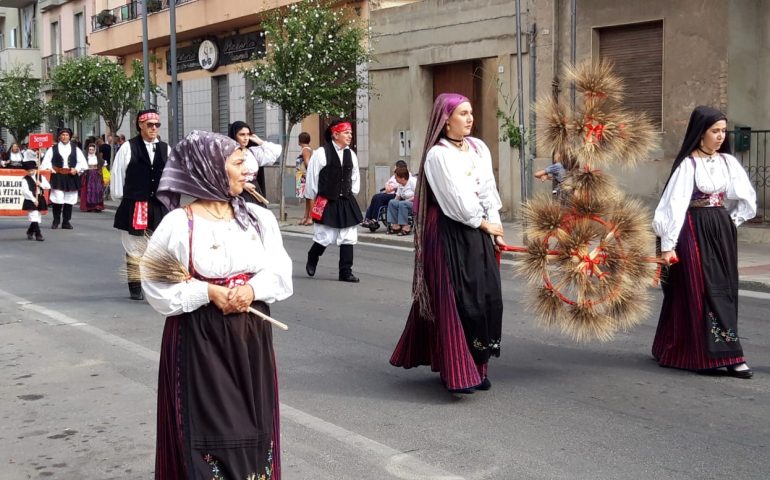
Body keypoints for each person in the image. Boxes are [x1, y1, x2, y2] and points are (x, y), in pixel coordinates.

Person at [142, 130, 293, 479]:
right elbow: (155, 286)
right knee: (212, 430)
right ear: (208, 168)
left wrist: (252, 290)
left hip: (250, 337)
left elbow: (280, 272)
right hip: (201, 339)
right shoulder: (179, 224)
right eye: (238, 162)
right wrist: (207, 293)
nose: (247, 170)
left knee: (255, 426)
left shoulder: (258, 219)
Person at [390, 93, 506, 393]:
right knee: (456, 302)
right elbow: (456, 201)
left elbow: (487, 191)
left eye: (470, 113)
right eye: (462, 113)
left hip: (478, 228)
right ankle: (458, 371)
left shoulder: (479, 148)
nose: (469, 118)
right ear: (446, 120)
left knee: (485, 299)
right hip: (448, 233)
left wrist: (496, 228)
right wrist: (482, 223)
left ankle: (478, 365)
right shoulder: (437, 155)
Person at [652, 105, 757, 379]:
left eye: (723, 131)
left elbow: (745, 199)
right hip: (692, 231)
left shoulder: (728, 163)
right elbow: (673, 207)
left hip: (720, 231)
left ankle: (726, 353)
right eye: (715, 131)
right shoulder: (688, 165)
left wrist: (729, 223)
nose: (721, 136)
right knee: (699, 289)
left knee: (724, 290)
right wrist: (668, 245)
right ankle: (710, 355)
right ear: (701, 133)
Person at [112, 109, 171, 300]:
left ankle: (155, 285)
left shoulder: (165, 148)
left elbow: (171, 176)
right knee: (135, 247)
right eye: (150, 125)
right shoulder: (128, 148)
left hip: (158, 204)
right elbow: (118, 174)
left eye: (157, 125)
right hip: (136, 203)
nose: (154, 128)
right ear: (140, 125)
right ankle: (135, 286)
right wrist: (123, 198)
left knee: (159, 246)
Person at [304, 120, 363, 283]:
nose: (350, 136)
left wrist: (351, 192)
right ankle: (313, 256)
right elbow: (312, 177)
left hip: (345, 199)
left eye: (351, 133)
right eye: (346, 133)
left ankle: (345, 271)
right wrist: (313, 199)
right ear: (335, 134)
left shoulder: (351, 154)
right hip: (326, 199)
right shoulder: (321, 153)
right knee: (324, 236)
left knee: (348, 236)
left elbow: (354, 176)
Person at [39, 127, 88, 229]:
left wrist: (77, 169)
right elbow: (46, 162)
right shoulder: (53, 149)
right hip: (58, 176)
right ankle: (56, 221)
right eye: (63, 135)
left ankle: (66, 221)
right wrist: (51, 168)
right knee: (58, 199)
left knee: (69, 199)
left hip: (71, 176)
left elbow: (82, 162)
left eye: (67, 135)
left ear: (69, 137)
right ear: (60, 137)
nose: (65, 137)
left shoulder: (76, 149)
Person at [227, 121, 282, 206]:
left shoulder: (252, 152)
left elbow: (276, 151)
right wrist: (244, 185)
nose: (246, 138)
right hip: (237, 190)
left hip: (255, 189)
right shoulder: (228, 153)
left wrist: (259, 141)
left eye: (248, 134)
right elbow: (223, 174)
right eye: (242, 135)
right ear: (234, 135)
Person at [361, 160, 407, 228]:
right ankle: (368, 220)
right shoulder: (394, 175)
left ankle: (374, 220)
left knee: (378, 198)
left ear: (398, 167)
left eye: (395, 167)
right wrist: (387, 187)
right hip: (388, 192)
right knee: (375, 198)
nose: (393, 168)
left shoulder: (404, 175)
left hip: (395, 194)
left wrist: (390, 188)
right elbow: (387, 183)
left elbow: (399, 185)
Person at [21, 156, 50, 242]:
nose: (30, 172)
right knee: (34, 216)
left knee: (37, 216)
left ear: (35, 169)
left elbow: (48, 186)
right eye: (29, 171)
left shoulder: (40, 177)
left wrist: (40, 184)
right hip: (30, 199)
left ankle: (30, 231)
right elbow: (25, 191)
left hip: (40, 197)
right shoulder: (25, 179)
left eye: (32, 170)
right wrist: (34, 199)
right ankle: (38, 234)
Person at [385, 165, 417, 235]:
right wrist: (393, 203)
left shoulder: (412, 182)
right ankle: (395, 226)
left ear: (402, 178)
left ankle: (406, 227)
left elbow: (418, 195)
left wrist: (407, 201)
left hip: (415, 203)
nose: (395, 179)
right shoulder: (400, 184)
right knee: (392, 202)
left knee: (402, 203)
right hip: (406, 203)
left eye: (396, 177)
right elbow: (397, 197)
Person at [79, 143, 105, 212]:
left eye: (92, 150)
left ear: (95, 150)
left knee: (97, 191)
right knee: (89, 191)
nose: (91, 151)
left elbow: (102, 166)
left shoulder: (99, 159)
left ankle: (97, 206)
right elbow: (82, 167)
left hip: (97, 176)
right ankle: (89, 207)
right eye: (90, 149)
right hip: (88, 176)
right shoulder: (85, 158)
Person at [296, 132, 314, 225]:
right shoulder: (308, 148)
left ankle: (310, 218)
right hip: (304, 175)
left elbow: (307, 162)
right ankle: (306, 217)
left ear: (300, 140)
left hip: (304, 175)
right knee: (307, 197)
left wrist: (307, 175)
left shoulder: (305, 150)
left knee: (309, 196)